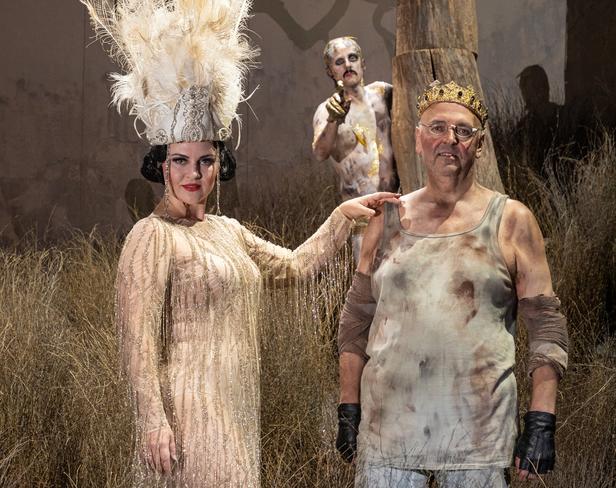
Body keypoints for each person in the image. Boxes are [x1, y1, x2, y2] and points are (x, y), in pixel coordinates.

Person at [80, 1, 399, 486]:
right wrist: (151, 419)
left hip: (235, 413)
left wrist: (340, 219)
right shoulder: (150, 236)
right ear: (161, 165)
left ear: (218, 164)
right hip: (184, 418)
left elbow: (293, 267)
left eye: (205, 161)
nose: (193, 174)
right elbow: (136, 339)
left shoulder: (227, 230)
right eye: (181, 161)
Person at [335, 80, 569, 487]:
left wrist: (541, 420)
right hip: (389, 442)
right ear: (418, 138)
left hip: (476, 446)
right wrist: (348, 408)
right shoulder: (387, 219)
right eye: (437, 127)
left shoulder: (511, 220)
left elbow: (547, 326)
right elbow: (356, 322)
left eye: (463, 131)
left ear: (478, 145)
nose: (450, 140)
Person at [312, 36, 399, 262]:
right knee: (371, 290)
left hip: (401, 210)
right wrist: (334, 119)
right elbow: (320, 152)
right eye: (339, 62)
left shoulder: (383, 93)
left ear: (363, 63)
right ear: (331, 71)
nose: (348, 65)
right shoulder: (325, 111)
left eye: (353, 58)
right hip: (365, 219)